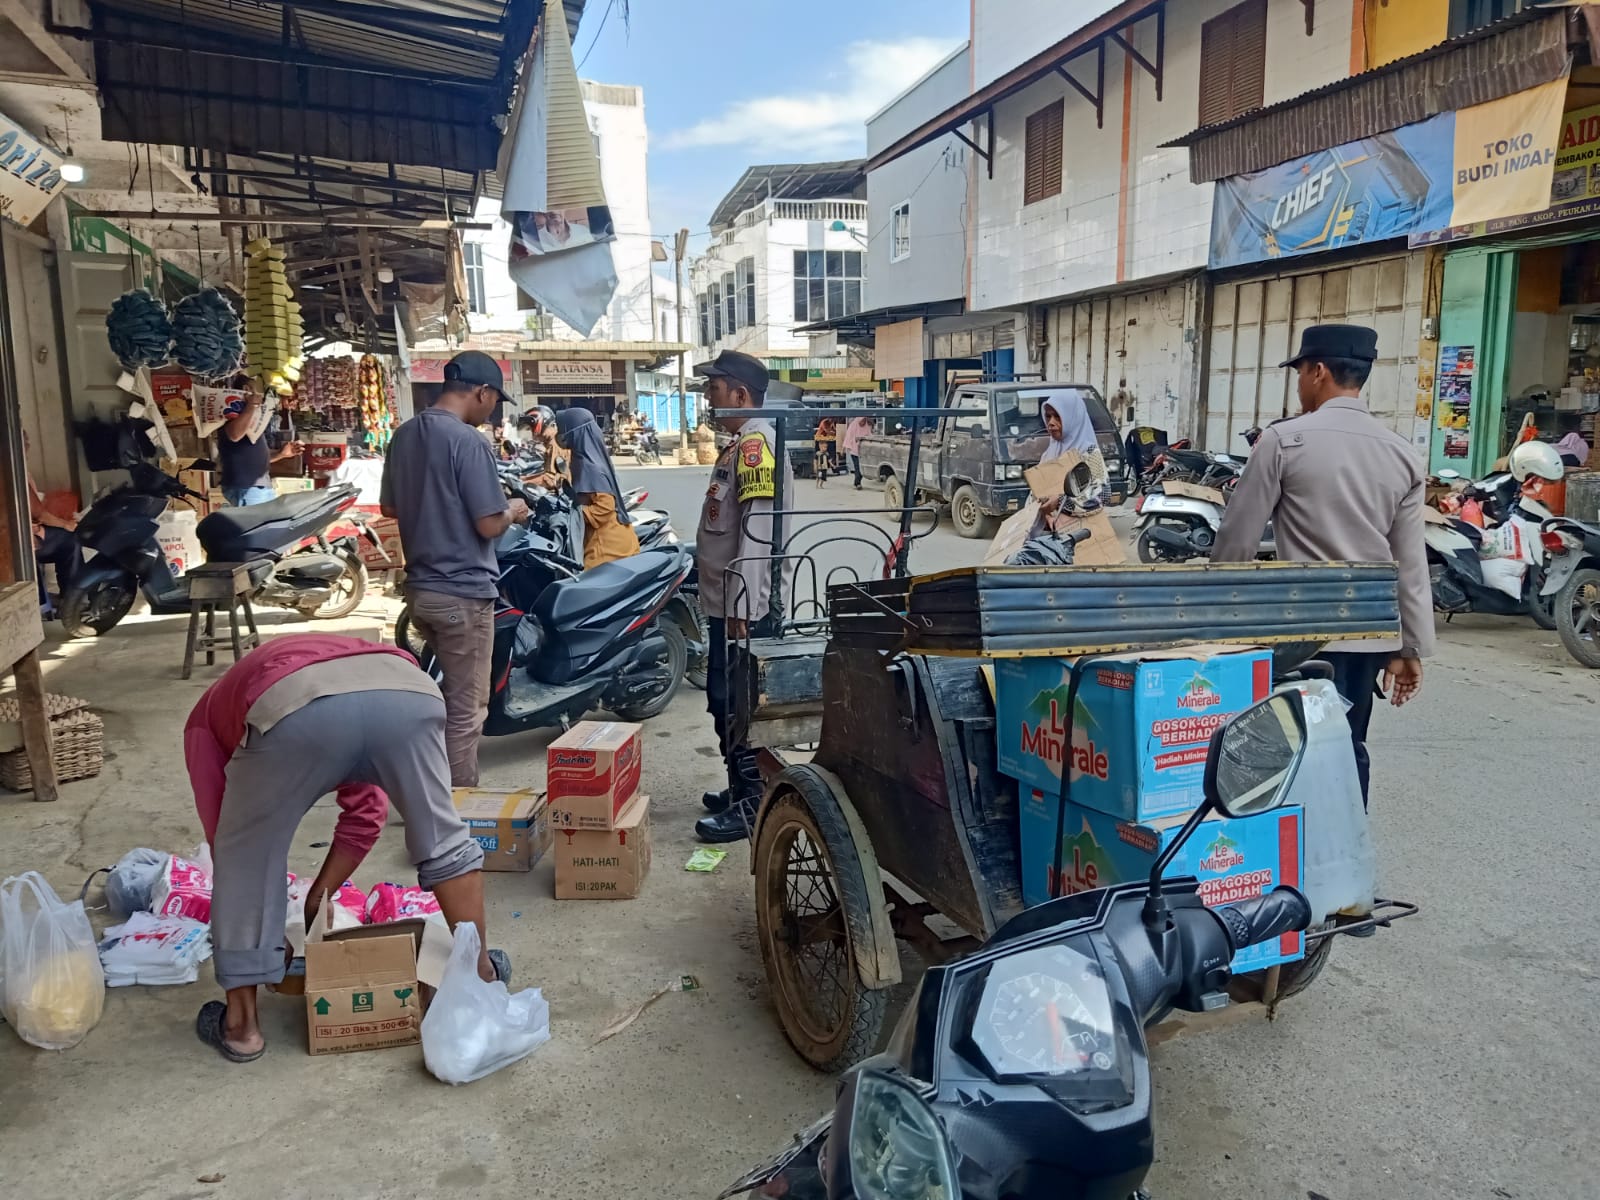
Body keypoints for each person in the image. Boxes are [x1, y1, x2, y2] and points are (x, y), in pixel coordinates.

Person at [184, 633, 509, 1062]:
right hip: (408, 694)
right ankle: (481, 973)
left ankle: (241, 1028)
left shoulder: (204, 723)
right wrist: (319, 895)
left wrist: (267, 936)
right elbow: (365, 813)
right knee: (444, 839)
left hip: (295, 705)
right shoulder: (324, 653)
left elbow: (231, 848)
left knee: (244, 858)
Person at [1211, 324, 1433, 809]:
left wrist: (1216, 623)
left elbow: (1237, 540)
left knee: (1281, 750)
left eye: (1299, 373)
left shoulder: (1283, 440)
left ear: (1318, 371)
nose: (1298, 384)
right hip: (1367, 637)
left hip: (1299, 637)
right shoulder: (1402, 453)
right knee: (1347, 745)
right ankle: (1347, 844)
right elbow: (1409, 563)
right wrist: (1409, 647)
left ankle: (1284, 844)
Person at [381, 351, 528, 787]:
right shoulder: (468, 441)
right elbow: (489, 523)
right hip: (462, 594)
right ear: (481, 392)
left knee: (443, 701)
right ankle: (453, 810)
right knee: (467, 709)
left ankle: (429, 794)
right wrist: (513, 510)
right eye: (495, 399)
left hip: (420, 593)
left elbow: (390, 506)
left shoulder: (405, 434)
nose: (493, 409)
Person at [693, 350, 794, 843]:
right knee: (724, 699)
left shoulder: (756, 445)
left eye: (714, 388)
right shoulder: (740, 443)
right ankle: (741, 786)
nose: (709, 398)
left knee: (739, 704)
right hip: (729, 602)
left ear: (740, 393)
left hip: (742, 608)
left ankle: (752, 803)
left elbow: (758, 531)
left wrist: (744, 606)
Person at [553, 407, 639, 568]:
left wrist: (572, 515)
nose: (558, 435)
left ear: (575, 433)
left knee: (583, 580)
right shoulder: (583, 458)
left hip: (608, 546)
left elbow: (605, 508)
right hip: (607, 538)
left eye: (562, 430)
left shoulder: (589, 467)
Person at [218, 375, 303, 507]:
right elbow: (234, 435)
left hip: (259, 487)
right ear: (247, 390)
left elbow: (254, 459)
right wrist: (251, 405)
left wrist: (281, 454)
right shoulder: (232, 415)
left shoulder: (252, 419)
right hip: (247, 488)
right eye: (258, 391)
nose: (261, 397)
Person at [23, 433, 80, 613]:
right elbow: (38, 514)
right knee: (70, 540)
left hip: (22, 533)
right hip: (23, 540)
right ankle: (70, 600)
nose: (28, 446)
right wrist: (65, 524)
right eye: (25, 442)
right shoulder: (14, 471)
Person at [1033, 391, 1104, 534]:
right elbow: (1035, 492)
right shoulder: (1049, 453)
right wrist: (1046, 515)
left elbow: (1101, 495)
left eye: (1057, 416)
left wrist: (1060, 501)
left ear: (1073, 418)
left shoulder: (1089, 452)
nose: (1051, 423)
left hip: (1080, 535)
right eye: (1048, 416)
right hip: (1049, 533)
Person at [842, 414, 872, 489]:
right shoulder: (853, 425)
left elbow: (870, 436)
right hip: (854, 451)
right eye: (861, 421)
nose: (862, 423)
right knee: (857, 468)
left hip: (863, 451)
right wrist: (843, 448)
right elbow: (848, 436)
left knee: (862, 468)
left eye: (864, 421)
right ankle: (857, 483)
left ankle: (857, 482)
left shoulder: (867, 426)